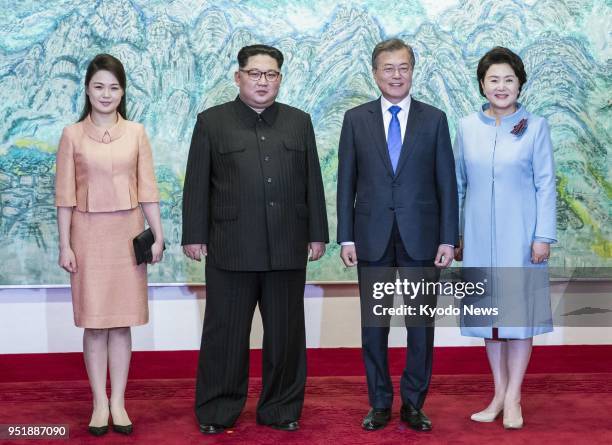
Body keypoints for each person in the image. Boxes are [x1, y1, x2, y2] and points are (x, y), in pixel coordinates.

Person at [182, 44, 329, 434]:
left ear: (280, 78)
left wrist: (318, 233)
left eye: (271, 74)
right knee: (224, 334)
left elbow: (312, 181)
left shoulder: (299, 122)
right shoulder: (212, 122)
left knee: (285, 335)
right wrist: (193, 234)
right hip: (231, 246)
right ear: (238, 77)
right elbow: (197, 183)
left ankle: (281, 408)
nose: (263, 81)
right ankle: (217, 409)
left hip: (287, 245)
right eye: (255, 73)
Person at [336, 38, 458, 432]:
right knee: (375, 327)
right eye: (388, 68)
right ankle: (379, 403)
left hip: (422, 239)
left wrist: (447, 238)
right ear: (375, 74)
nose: (396, 75)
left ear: (412, 71)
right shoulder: (355, 119)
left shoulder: (434, 119)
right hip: (370, 238)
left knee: (419, 327)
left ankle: (413, 404)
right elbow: (345, 183)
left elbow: (447, 184)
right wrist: (346, 237)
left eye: (403, 67)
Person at [55, 54, 164, 436]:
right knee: (95, 324)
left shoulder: (136, 132)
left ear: (122, 92)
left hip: (127, 235)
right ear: (87, 89)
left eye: (114, 87)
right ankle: (98, 403)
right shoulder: (71, 134)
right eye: (99, 86)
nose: (106, 94)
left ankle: (118, 401)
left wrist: (158, 233)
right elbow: (64, 196)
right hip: (86, 236)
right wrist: (64, 245)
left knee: (121, 325)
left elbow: (148, 189)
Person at [454, 46, 557, 429]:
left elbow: (546, 185)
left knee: (518, 321)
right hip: (479, 238)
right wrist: (457, 235)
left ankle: (514, 397)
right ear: (482, 84)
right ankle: (498, 393)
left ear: (520, 83)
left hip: (522, 239)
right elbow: (458, 185)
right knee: (490, 321)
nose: (501, 86)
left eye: (508, 79)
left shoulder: (537, 126)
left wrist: (542, 235)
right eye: (493, 79)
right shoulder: (466, 128)